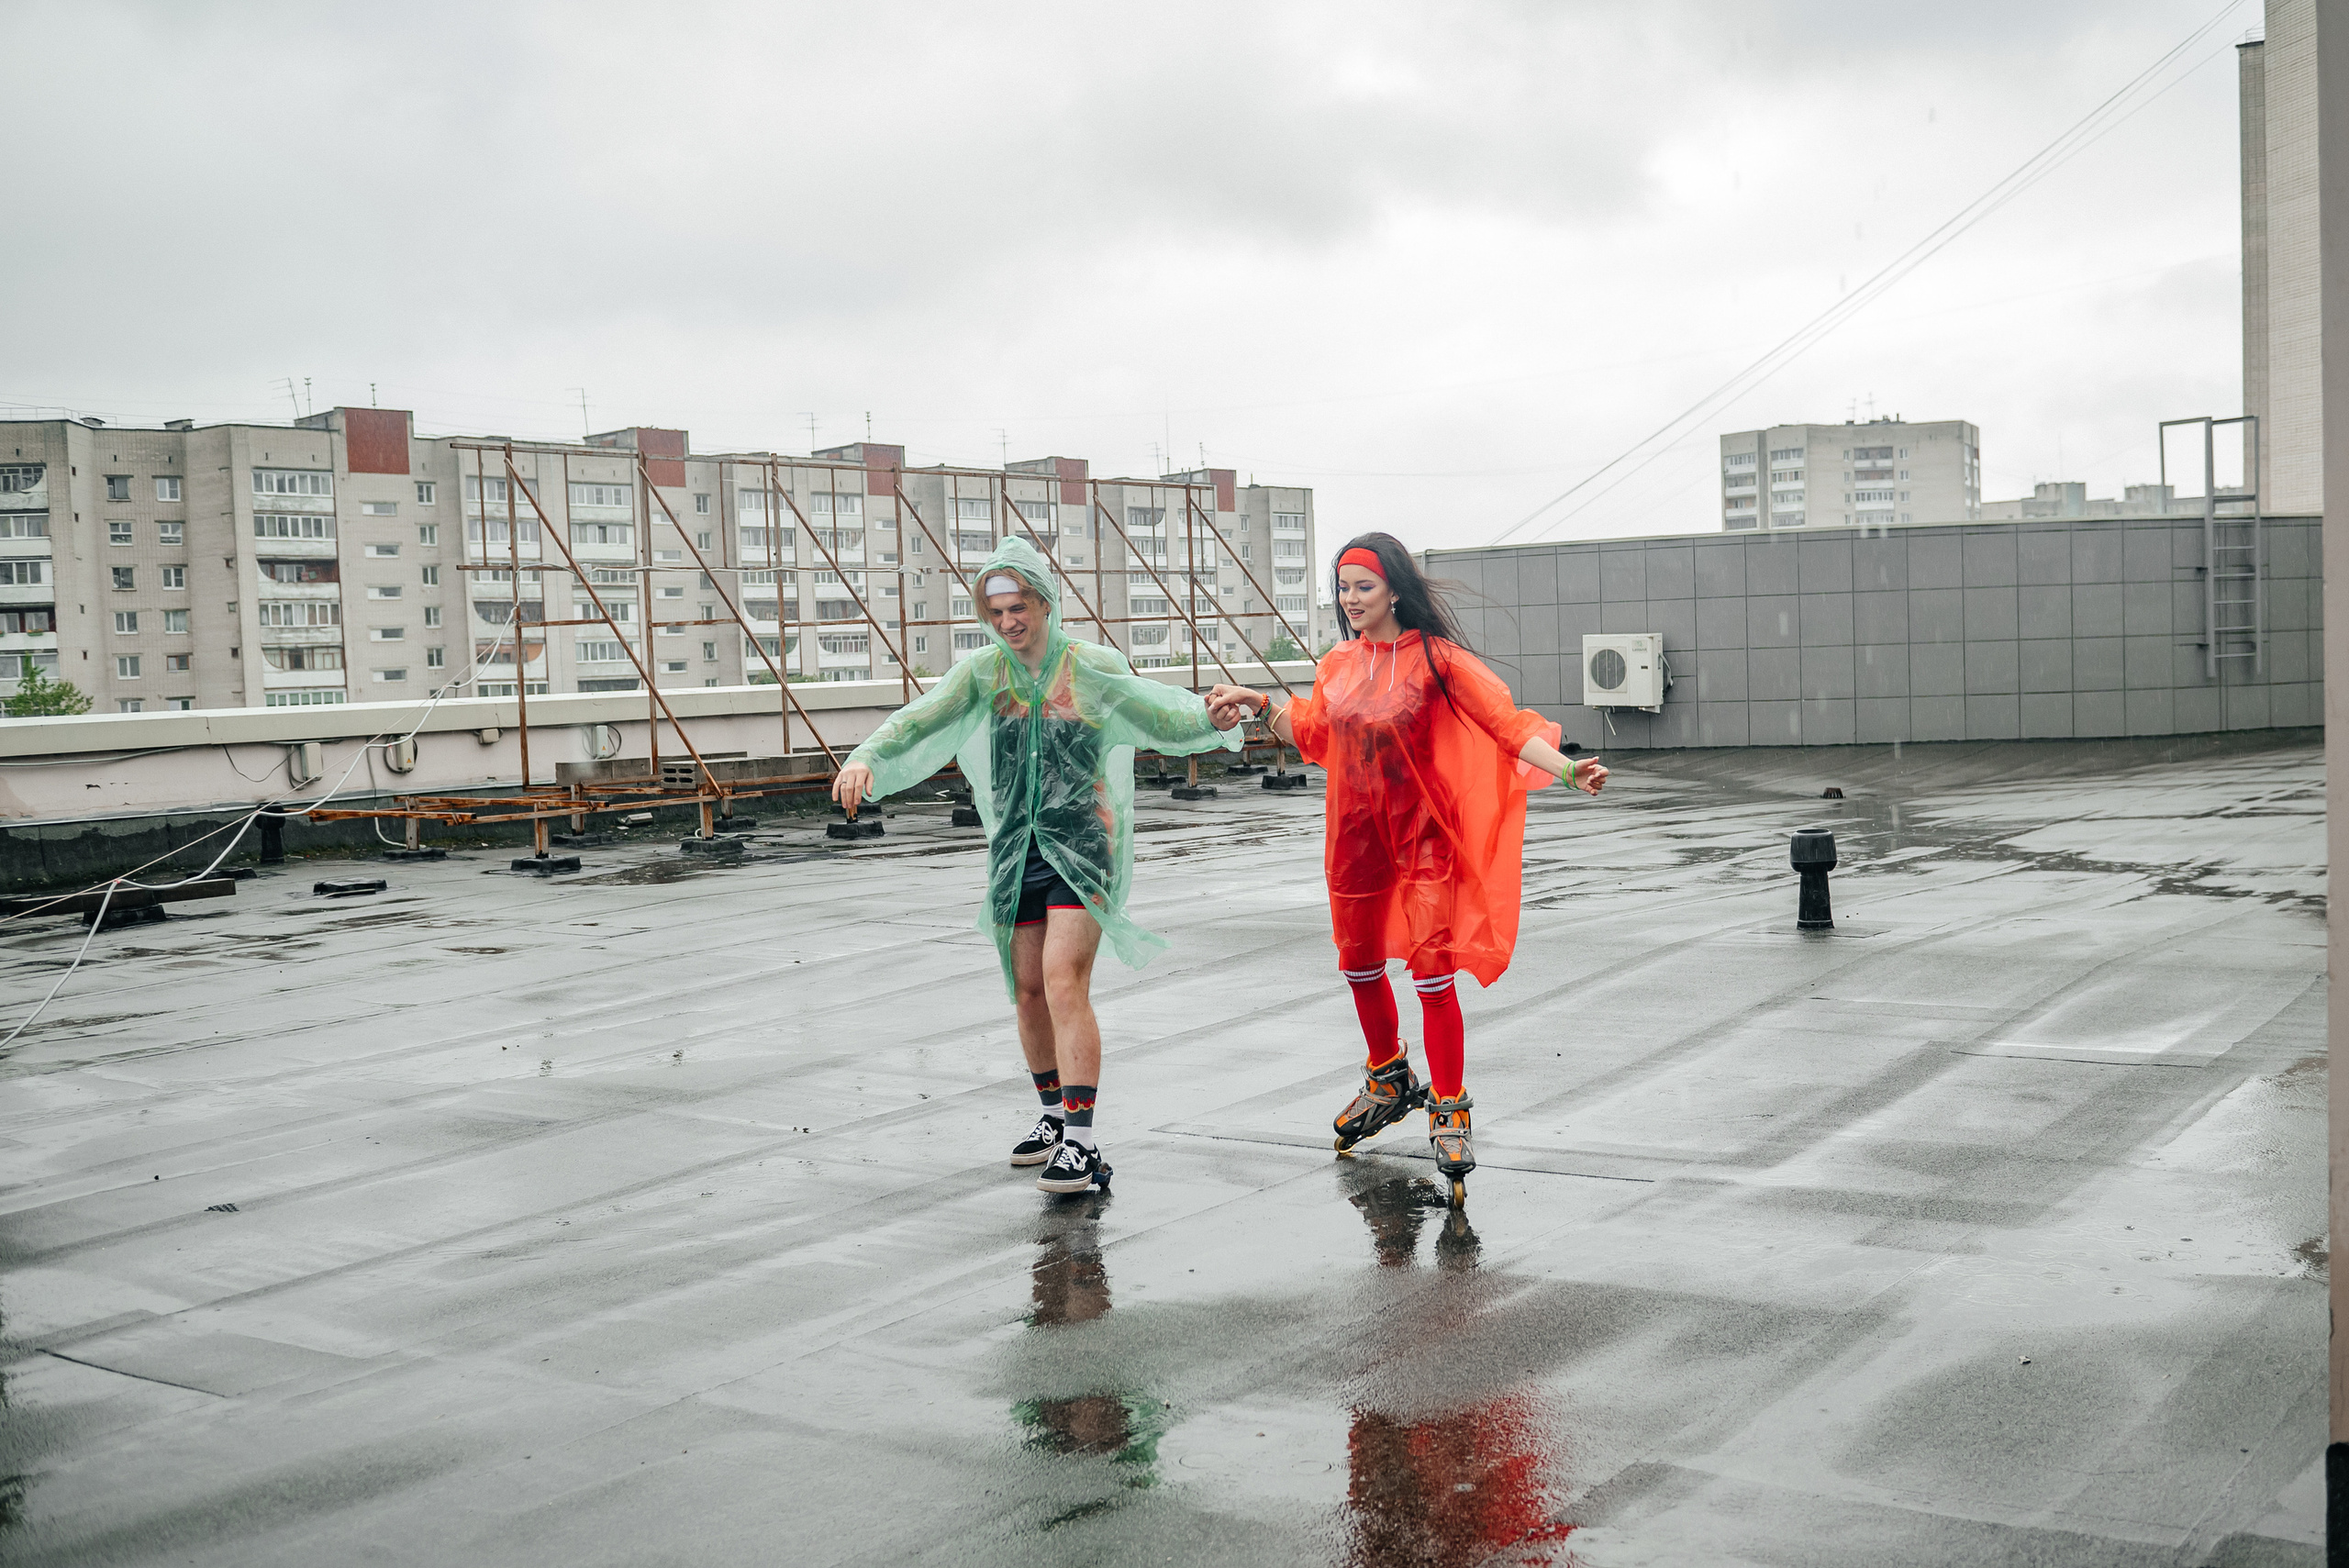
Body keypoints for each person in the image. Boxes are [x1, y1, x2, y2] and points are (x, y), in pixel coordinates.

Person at [833, 535, 1242, 1195]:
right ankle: (1053, 1117)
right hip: (1014, 851)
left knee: (1061, 980)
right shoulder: (984, 674)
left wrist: (1207, 714)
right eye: (995, 613)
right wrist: (867, 758)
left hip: (1081, 845)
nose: (1007, 623)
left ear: (1043, 602)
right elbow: (919, 720)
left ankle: (1081, 1141)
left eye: (1017, 607)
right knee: (1026, 987)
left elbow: (1153, 706)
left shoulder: (1087, 667)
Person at [1207, 532, 1606, 1203]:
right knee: (1357, 961)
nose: (1351, 598)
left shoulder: (1438, 661)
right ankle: (1389, 1076)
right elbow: (1313, 735)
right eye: (1343, 587)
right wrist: (1254, 702)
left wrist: (1567, 769)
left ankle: (1450, 1108)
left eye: (1363, 586)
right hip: (1355, 835)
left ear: (1394, 588)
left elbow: (1505, 725)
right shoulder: (1337, 664)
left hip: (1424, 838)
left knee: (1431, 971)